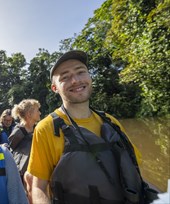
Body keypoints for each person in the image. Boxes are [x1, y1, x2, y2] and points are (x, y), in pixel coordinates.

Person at [27, 50, 159, 204]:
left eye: (80, 72)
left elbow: (136, 172)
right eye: (65, 77)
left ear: (90, 77)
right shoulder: (46, 128)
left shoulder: (111, 122)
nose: (75, 80)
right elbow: (38, 187)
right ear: (54, 88)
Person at [8, 99, 41, 203]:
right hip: (21, 173)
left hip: (36, 171)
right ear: (29, 114)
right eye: (37, 110)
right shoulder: (18, 131)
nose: (40, 113)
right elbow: (12, 146)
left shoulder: (38, 129)